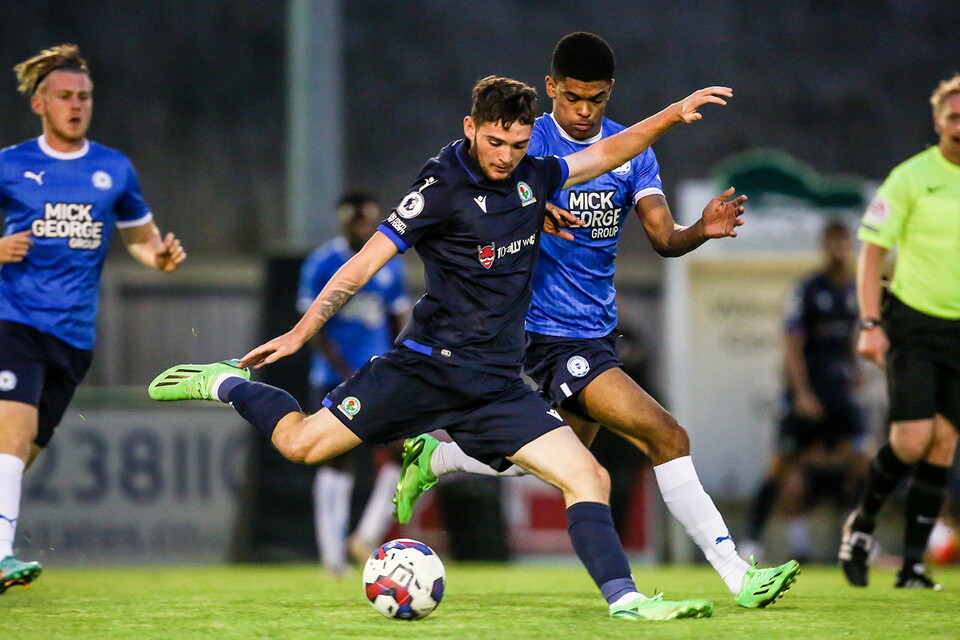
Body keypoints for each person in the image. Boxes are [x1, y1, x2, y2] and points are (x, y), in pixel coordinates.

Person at [150, 75, 731, 621]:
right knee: (302, 445)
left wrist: (673, 116)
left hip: (497, 386)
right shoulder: (440, 187)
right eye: (496, 141)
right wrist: (301, 332)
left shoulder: (535, 176)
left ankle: (625, 601)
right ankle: (227, 383)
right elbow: (362, 265)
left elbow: (609, 152)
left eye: (518, 143)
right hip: (423, 370)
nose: (505, 155)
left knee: (589, 477)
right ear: (471, 127)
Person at [392, 32, 799, 608]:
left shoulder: (629, 151)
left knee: (557, 461)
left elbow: (662, 238)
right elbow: (471, 200)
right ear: (551, 88)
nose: (584, 111)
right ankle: (739, 575)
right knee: (667, 434)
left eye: (598, 99)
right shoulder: (524, 146)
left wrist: (697, 232)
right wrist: (525, 211)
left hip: (597, 332)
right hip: (542, 336)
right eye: (573, 97)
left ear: (610, 95)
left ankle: (435, 457)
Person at [0, 44, 186, 593]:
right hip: (15, 321)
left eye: (84, 97)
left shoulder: (113, 168)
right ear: (39, 104)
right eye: (64, 97)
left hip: (75, 337)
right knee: (14, 433)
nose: (76, 106)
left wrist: (161, 257)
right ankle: (1, 557)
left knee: (19, 453)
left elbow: (140, 240)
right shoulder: (11, 165)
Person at [840, 74, 960, 590]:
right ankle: (861, 524)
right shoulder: (912, 177)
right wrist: (870, 322)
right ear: (938, 122)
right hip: (912, 320)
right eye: (954, 116)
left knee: (944, 444)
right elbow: (871, 251)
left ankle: (912, 565)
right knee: (912, 440)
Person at [743, 221, 868, 561]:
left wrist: (857, 369)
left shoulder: (855, 291)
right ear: (824, 247)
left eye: (845, 244)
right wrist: (801, 393)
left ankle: (858, 539)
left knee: (863, 457)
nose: (839, 251)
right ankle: (752, 541)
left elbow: (850, 340)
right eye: (833, 244)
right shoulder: (809, 289)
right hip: (806, 395)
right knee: (781, 466)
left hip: (838, 394)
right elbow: (793, 345)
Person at [298, 192, 409, 573]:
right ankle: (332, 560)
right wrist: (344, 371)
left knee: (403, 454)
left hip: (376, 377)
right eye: (360, 221)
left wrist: (401, 364)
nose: (367, 228)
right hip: (333, 379)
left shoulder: (389, 265)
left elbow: (398, 319)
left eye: (371, 221)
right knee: (336, 462)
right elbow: (313, 327)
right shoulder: (322, 263)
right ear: (344, 222)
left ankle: (365, 537)